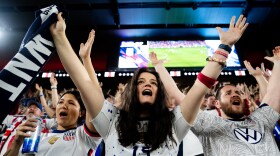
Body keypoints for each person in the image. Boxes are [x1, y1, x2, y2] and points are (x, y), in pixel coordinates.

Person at [50, 12, 195, 155]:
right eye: (140, 81)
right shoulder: (112, 120)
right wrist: (60, 37)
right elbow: (84, 84)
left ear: (161, 94)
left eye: (154, 83)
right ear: (130, 92)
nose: (147, 85)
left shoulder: (173, 122)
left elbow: (198, 91)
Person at [152, 22, 280, 156]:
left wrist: (277, 64)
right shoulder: (208, 124)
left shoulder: (261, 119)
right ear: (217, 104)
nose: (234, 95)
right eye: (228, 93)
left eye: (237, 92)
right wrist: (159, 67)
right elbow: (179, 95)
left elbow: (274, 94)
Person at [4, 90, 102, 156]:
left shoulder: (84, 137)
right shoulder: (37, 137)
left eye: (71, 103)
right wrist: (16, 143)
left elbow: (91, 97)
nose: (63, 106)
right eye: (60, 102)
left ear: (81, 113)